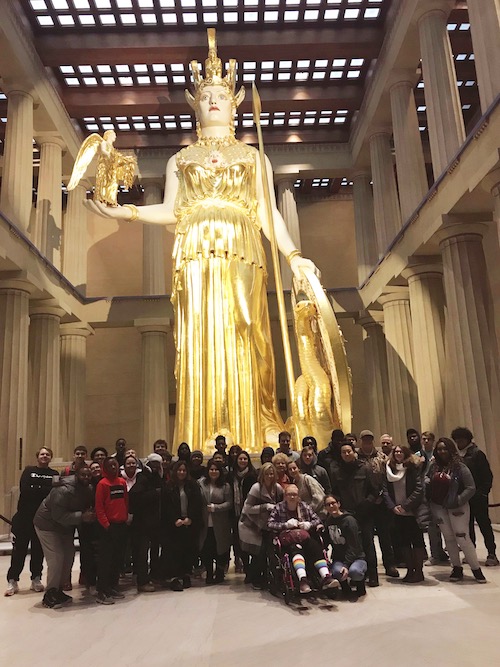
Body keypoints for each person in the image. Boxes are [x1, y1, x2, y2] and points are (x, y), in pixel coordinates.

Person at [85, 29, 317, 452]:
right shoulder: (180, 158)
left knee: (249, 329)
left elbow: (268, 213)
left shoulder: (253, 157)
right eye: (207, 93)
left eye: (221, 95)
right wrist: (128, 211)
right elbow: (173, 211)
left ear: (235, 105)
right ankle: (205, 433)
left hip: (242, 249)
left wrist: (294, 255)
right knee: (198, 336)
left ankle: (257, 421)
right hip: (194, 254)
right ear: (195, 105)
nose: (214, 99)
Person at [426, 437, 486, 583]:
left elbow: (470, 487)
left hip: (457, 507)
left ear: (451, 449)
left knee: (462, 537)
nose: (442, 451)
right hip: (439, 506)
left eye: (445, 448)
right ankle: (456, 567)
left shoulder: (459, 466)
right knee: (449, 538)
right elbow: (426, 480)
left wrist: (458, 500)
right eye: (439, 449)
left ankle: (475, 568)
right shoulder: (433, 466)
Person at [33, 465, 95, 609]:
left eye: (88, 475)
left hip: (65, 526)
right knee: (56, 558)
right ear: (76, 476)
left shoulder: (88, 489)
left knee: (69, 556)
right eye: (83, 475)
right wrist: (82, 516)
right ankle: (50, 593)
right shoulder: (62, 490)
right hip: (47, 524)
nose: (86, 478)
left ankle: (59, 590)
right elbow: (58, 515)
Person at [5, 447, 59, 597]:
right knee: (19, 550)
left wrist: (37, 488)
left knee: (38, 550)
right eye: (42, 454)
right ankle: (12, 579)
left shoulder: (54, 474)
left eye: (47, 454)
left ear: (50, 458)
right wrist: (43, 489)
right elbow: (26, 490)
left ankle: (36, 578)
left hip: (42, 518)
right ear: (37, 457)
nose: (45, 456)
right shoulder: (29, 471)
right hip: (24, 518)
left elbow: (53, 493)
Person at [267, 484, 338, 594]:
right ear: (285, 496)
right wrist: (285, 525)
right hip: (288, 540)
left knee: (316, 548)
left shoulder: (304, 506)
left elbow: (317, 520)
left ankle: (326, 577)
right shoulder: (279, 507)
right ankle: (302, 580)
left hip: (304, 537)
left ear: (298, 496)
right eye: (289, 494)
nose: (292, 497)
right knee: (296, 549)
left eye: (294, 494)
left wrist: (309, 524)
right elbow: (270, 524)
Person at [330, 441, 380, 587]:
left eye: (349, 451)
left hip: (364, 513)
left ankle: (373, 574)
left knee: (368, 543)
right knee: (349, 544)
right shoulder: (337, 471)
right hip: (346, 516)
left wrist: (366, 503)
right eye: (343, 452)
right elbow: (335, 492)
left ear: (354, 452)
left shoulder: (365, 468)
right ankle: (351, 573)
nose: (346, 454)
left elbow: (374, 491)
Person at [451, 426, 498, 566]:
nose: (459, 442)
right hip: (464, 497)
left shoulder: (477, 454)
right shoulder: (457, 456)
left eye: (461, 439)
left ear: (467, 439)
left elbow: (487, 476)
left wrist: (483, 493)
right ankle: (471, 553)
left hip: (478, 496)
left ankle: (492, 553)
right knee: (467, 526)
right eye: (457, 440)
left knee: (484, 524)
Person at [357, 429, 399, 579]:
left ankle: (390, 564)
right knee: (367, 537)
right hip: (365, 503)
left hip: (381, 501)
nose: (367, 442)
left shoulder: (382, 457)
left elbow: (386, 478)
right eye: (364, 439)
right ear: (360, 441)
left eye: (370, 439)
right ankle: (370, 566)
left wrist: (381, 496)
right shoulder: (356, 458)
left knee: (385, 535)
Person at [383, 445, 427, 583]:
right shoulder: (389, 469)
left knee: (417, 541)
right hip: (397, 513)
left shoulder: (412, 468)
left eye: (400, 451)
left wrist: (406, 506)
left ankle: (419, 572)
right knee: (404, 543)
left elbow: (419, 489)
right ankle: (409, 570)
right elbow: (385, 490)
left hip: (412, 512)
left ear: (405, 453)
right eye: (395, 452)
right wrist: (393, 507)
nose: (398, 453)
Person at [239, 462, 283, 589]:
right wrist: (265, 507)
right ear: (262, 475)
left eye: (271, 473)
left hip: (267, 525)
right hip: (250, 524)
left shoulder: (278, 488)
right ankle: (255, 578)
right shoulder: (256, 488)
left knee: (267, 550)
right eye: (267, 474)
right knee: (258, 551)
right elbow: (248, 508)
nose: (269, 476)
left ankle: (265, 577)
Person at [162, 460, 203, 591]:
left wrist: (190, 519)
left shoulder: (193, 486)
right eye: (179, 470)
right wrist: (175, 520)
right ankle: (174, 578)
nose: (181, 472)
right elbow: (166, 507)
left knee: (188, 550)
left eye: (184, 470)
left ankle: (186, 574)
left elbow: (197, 504)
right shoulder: (168, 487)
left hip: (189, 524)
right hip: (174, 525)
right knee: (174, 552)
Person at [128, 453, 165, 592]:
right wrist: (155, 494)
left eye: (158, 464)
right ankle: (142, 581)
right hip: (143, 523)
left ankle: (154, 576)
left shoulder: (157, 477)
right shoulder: (143, 477)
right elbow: (134, 496)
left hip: (155, 523)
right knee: (142, 553)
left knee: (155, 552)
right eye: (153, 464)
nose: (155, 467)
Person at [95, 457, 129, 604]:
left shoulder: (122, 482)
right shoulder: (102, 484)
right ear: (105, 468)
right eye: (110, 466)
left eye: (115, 465)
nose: (113, 468)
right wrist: (106, 525)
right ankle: (102, 590)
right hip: (108, 527)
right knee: (106, 560)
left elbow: (125, 501)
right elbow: (99, 507)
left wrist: (125, 518)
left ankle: (112, 586)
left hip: (121, 525)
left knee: (117, 559)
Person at [323, 494, 367, 599]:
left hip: (357, 558)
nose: (331, 506)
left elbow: (354, 546)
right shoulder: (328, 521)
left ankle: (360, 585)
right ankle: (345, 588)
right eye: (328, 504)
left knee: (354, 572)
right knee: (337, 572)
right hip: (339, 559)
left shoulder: (349, 521)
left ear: (338, 504)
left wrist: (346, 565)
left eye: (333, 503)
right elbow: (326, 541)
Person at [198, 460, 233, 585]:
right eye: (211, 469)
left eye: (216, 469)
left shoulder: (225, 486)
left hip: (220, 523)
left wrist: (215, 507)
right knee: (206, 548)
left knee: (220, 548)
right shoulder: (201, 483)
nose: (213, 472)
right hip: (205, 522)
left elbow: (229, 503)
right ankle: (208, 571)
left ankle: (219, 572)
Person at [227, 450, 258, 574]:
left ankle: (253, 567)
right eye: (240, 459)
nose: (243, 461)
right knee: (237, 540)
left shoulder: (253, 475)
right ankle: (244, 564)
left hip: (250, 513)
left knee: (250, 539)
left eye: (245, 459)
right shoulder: (231, 475)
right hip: (235, 512)